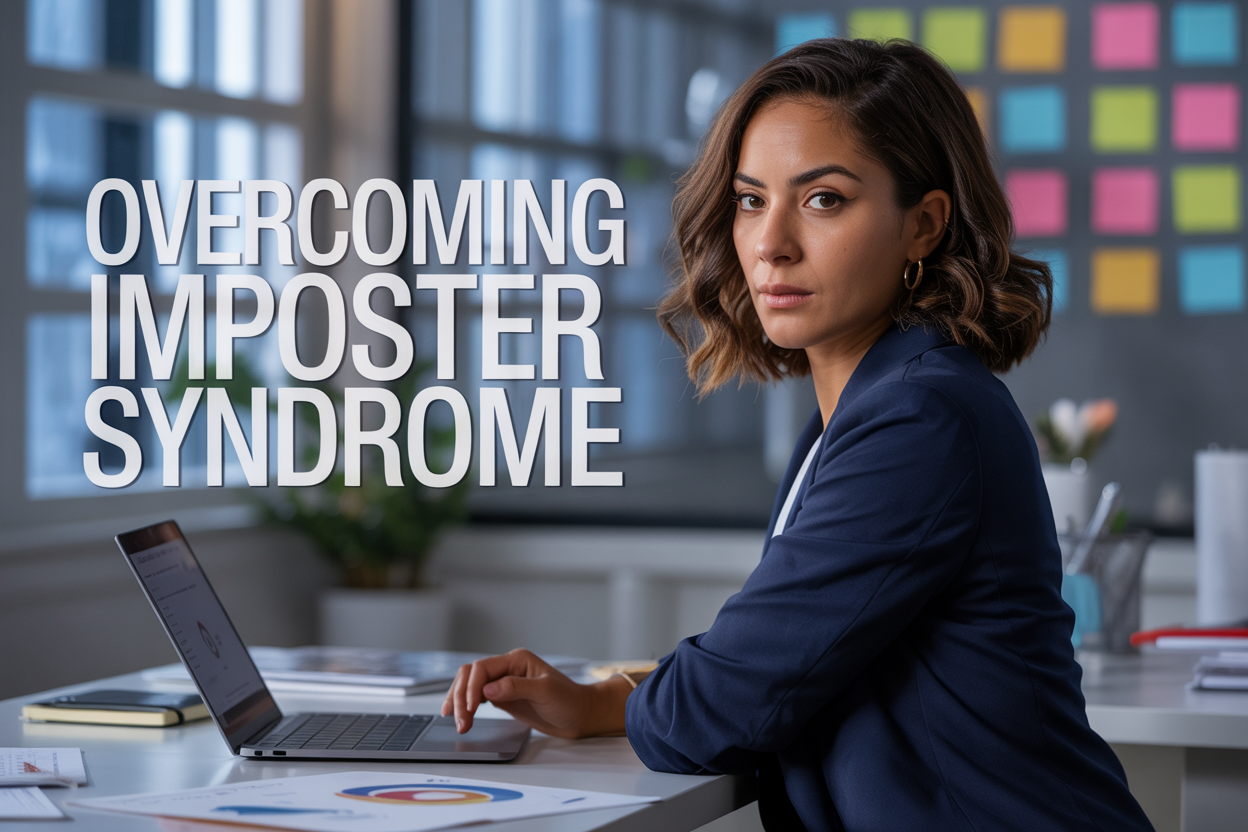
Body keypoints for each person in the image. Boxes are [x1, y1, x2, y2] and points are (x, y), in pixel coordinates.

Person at [443, 38, 1153, 832]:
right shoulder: (866, 408)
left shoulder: (920, 419)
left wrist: (627, 699)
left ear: (923, 225)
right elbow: (782, 656)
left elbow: (736, 696)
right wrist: (600, 701)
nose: (771, 241)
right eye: (751, 199)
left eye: (823, 200)